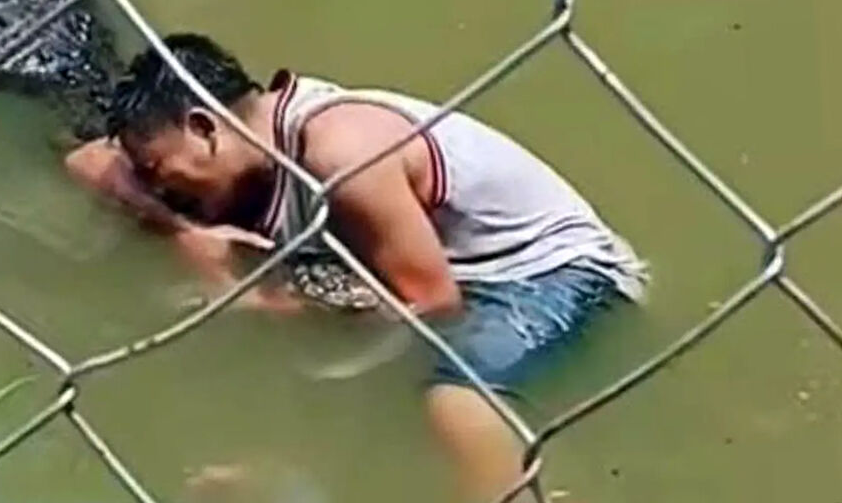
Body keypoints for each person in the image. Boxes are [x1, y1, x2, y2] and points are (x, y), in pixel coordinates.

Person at [65, 33, 648, 502]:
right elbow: (89, 162)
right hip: (428, 277)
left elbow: (432, 303)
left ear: (203, 127)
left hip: (551, 274)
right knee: (307, 369)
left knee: (454, 395)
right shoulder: (242, 161)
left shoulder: (340, 153)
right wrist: (182, 231)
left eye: (155, 169)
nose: (155, 186)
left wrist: (268, 304)